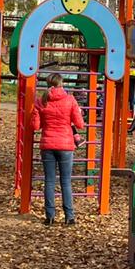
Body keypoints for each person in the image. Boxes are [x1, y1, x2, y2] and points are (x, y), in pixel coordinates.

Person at [31, 73, 84, 226]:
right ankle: (69, 216)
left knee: (49, 181)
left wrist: (35, 112)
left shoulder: (41, 101)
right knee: (66, 182)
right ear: (62, 84)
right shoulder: (70, 100)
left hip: (47, 145)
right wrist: (78, 112)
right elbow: (79, 124)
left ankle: (50, 216)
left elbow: (35, 126)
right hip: (66, 145)